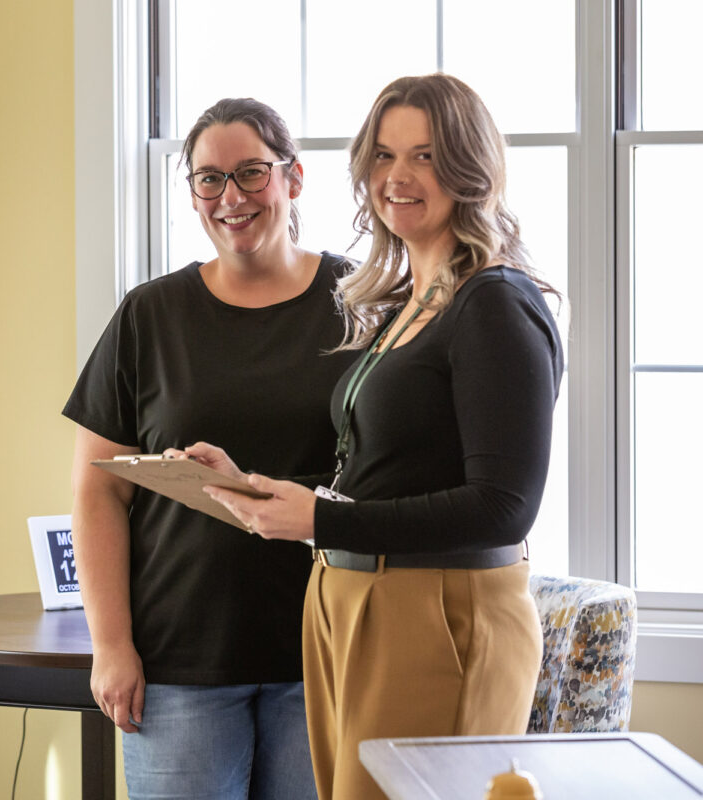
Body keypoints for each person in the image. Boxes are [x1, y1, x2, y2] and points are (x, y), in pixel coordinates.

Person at [187, 75, 565, 800]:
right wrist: (273, 492)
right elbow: (391, 470)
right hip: (356, 602)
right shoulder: (410, 302)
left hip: (439, 618)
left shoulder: (494, 303)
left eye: (425, 156)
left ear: (471, 168)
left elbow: (504, 506)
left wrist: (323, 518)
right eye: (384, 156)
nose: (397, 178)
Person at [62, 97, 358, 800]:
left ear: (293, 178)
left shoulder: (361, 304)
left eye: (252, 173)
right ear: (191, 191)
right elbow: (98, 488)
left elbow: (389, 479)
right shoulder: (149, 314)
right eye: (208, 179)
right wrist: (111, 645)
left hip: (324, 652)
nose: (231, 197)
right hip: (180, 663)